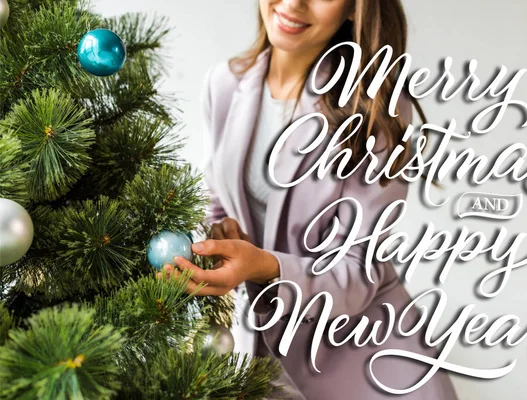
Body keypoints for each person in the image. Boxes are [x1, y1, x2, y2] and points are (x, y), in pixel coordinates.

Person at [161, 0, 459, 398]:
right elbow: (220, 199)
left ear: (355, 8)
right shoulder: (225, 85)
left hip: (369, 367)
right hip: (267, 360)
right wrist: (224, 231)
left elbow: (357, 273)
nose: (293, 3)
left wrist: (264, 266)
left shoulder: (374, 109)